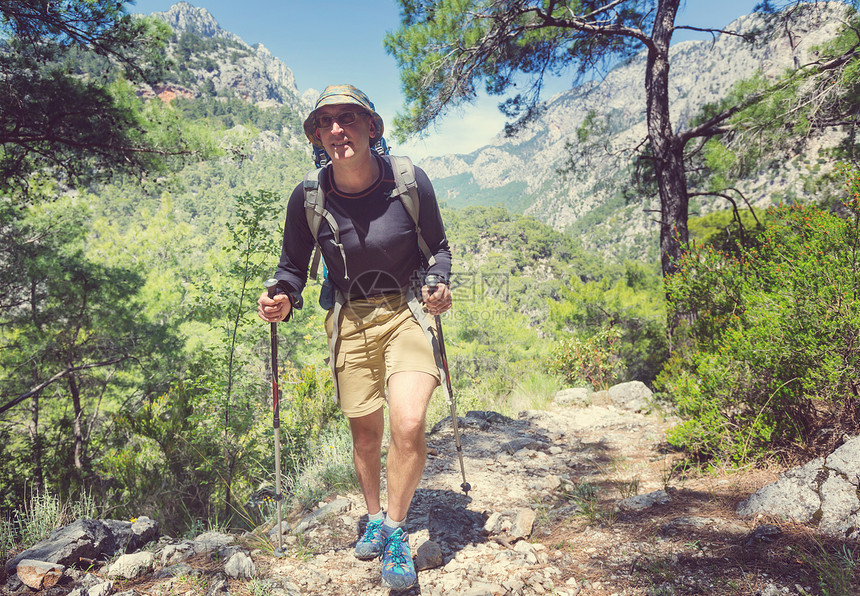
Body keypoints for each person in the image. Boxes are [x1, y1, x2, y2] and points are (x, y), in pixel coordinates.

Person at [256, 84, 452, 591]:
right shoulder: (309, 197)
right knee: (365, 434)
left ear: (371, 127)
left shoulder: (408, 181)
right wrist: (282, 295)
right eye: (327, 123)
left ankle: (392, 531)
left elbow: (439, 250)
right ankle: (371, 515)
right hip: (349, 319)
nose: (337, 129)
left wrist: (439, 285)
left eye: (348, 118)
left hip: (406, 312)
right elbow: (291, 268)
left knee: (408, 423)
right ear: (318, 136)